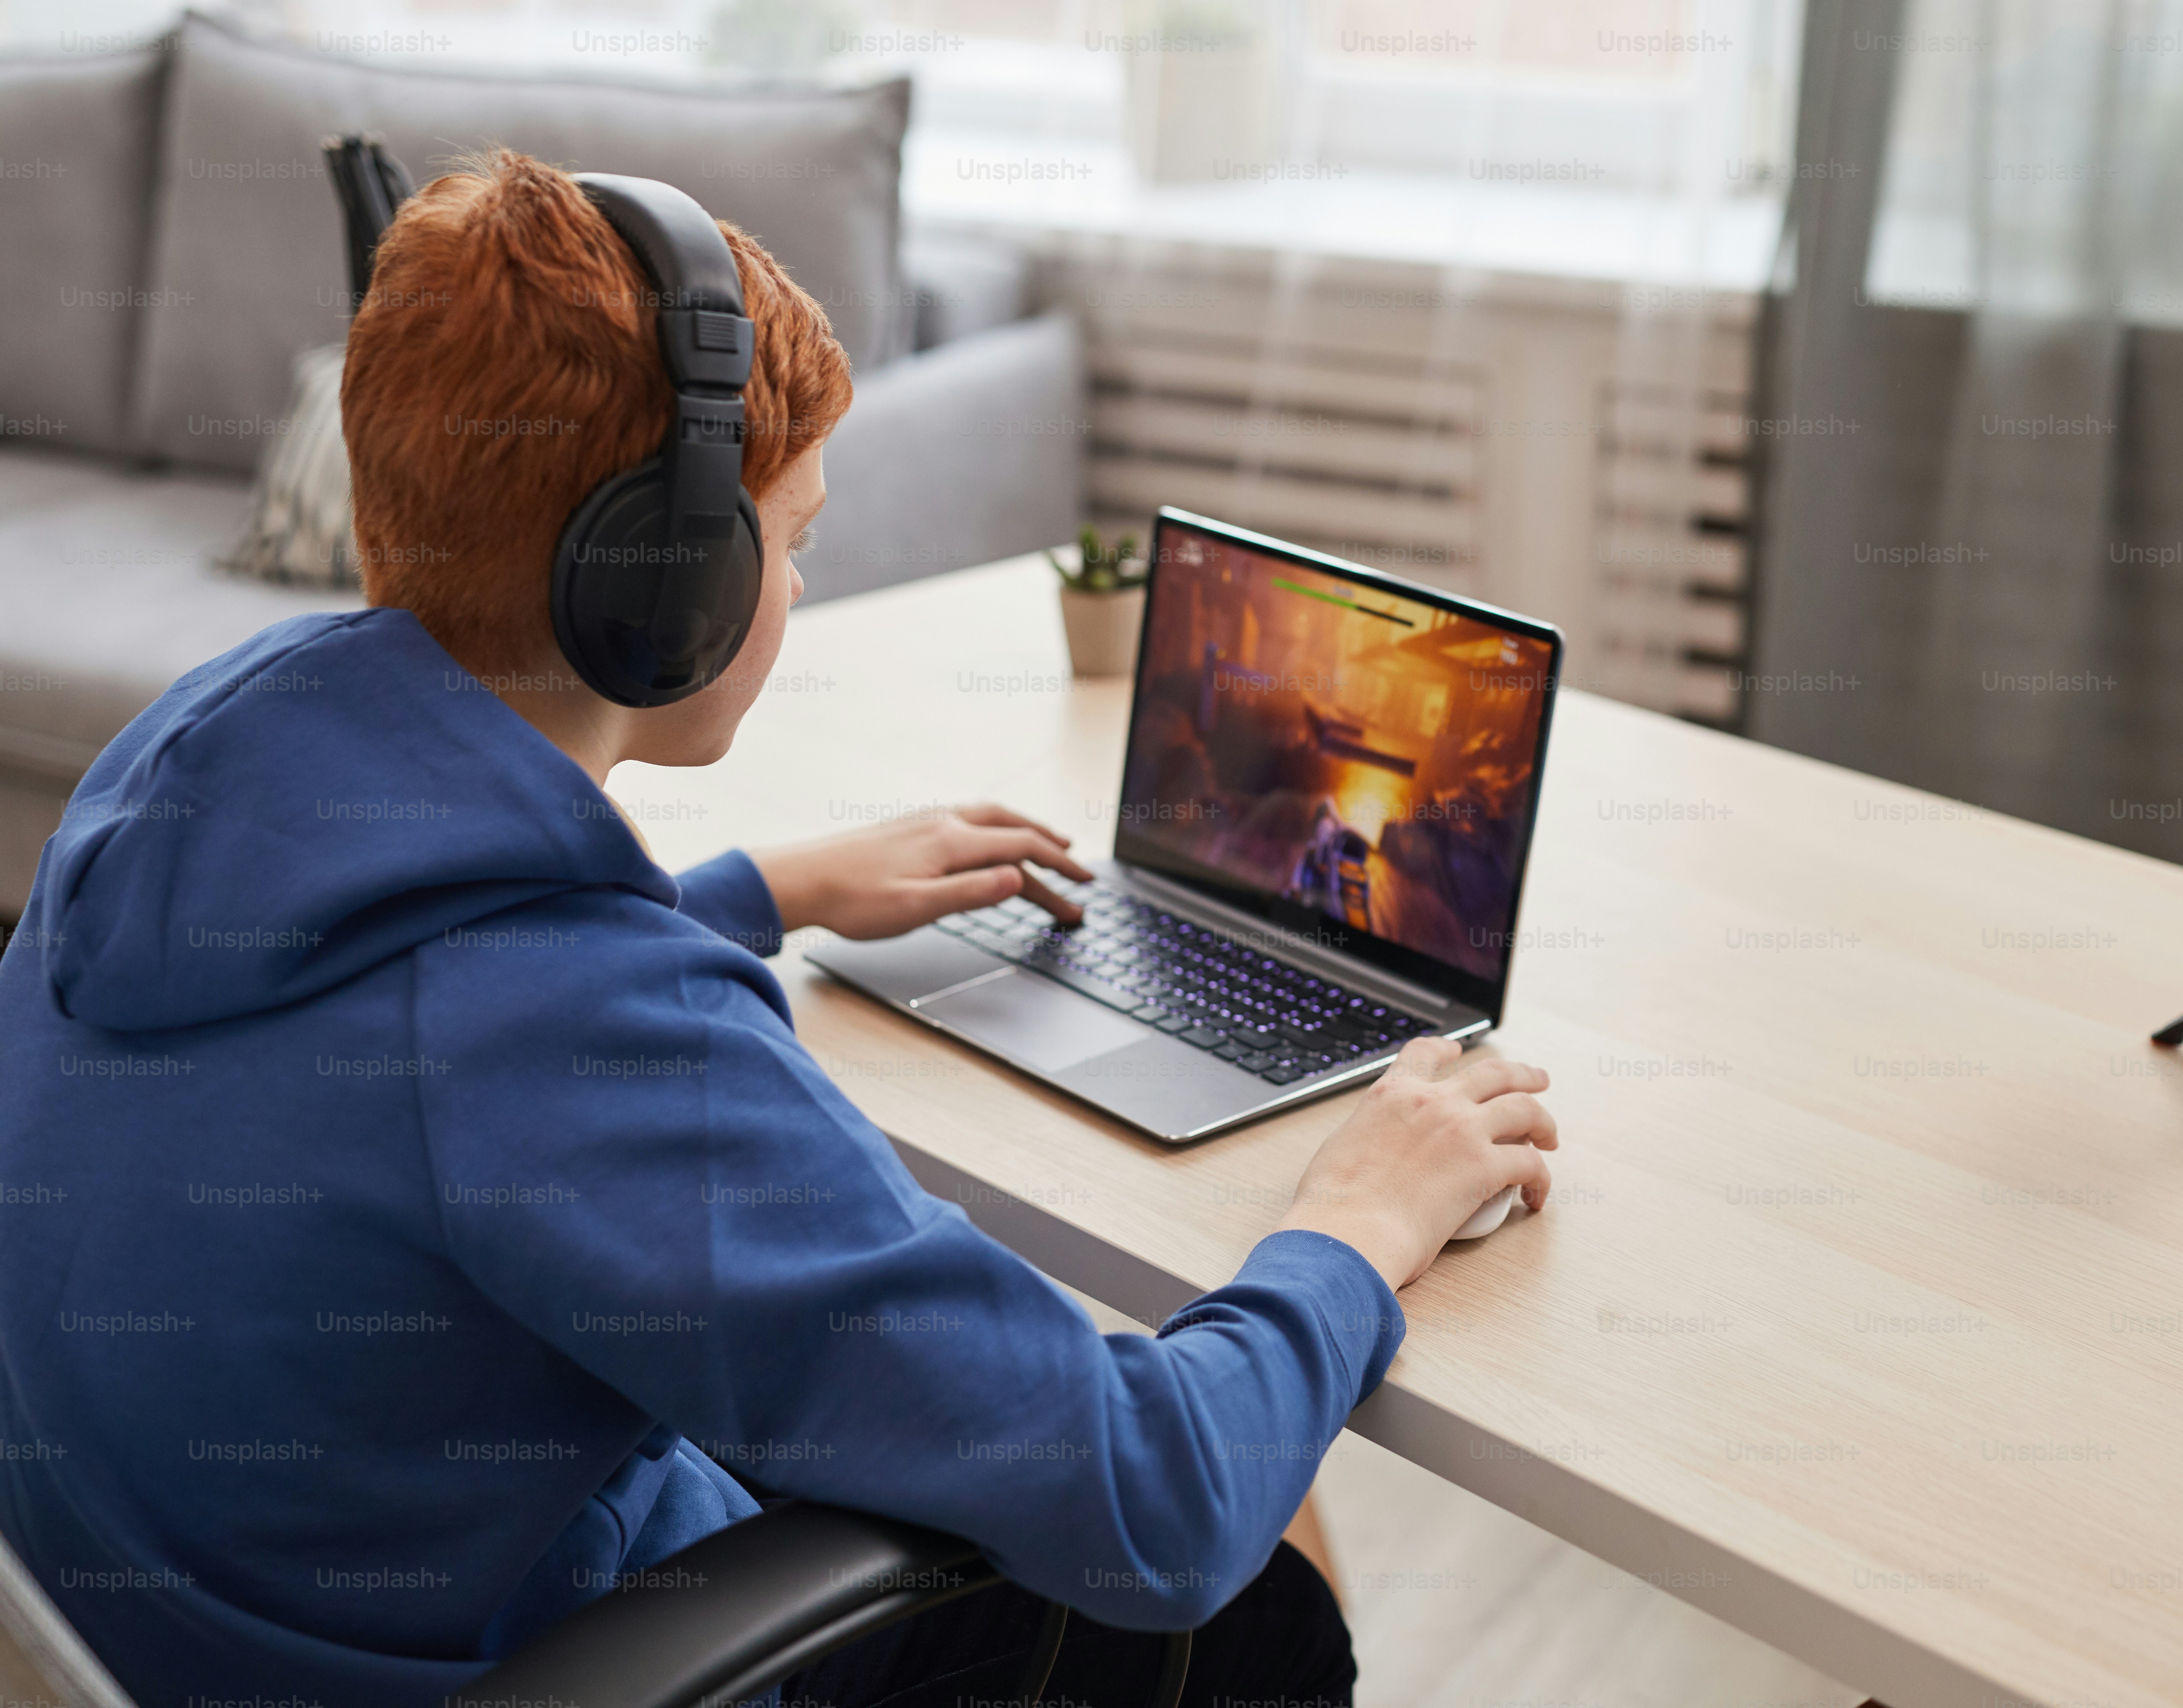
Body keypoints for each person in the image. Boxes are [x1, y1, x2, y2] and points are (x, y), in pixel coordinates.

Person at [0, 151, 1557, 1708]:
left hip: (219, 1626)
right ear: (660, 583)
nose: (800, 583)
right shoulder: (572, 1032)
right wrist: (1363, 1210)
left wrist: (757, 894)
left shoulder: (183, 767)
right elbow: (1155, 1507)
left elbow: (426, 1027)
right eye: (790, 536)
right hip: (534, 1655)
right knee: (1250, 1532)